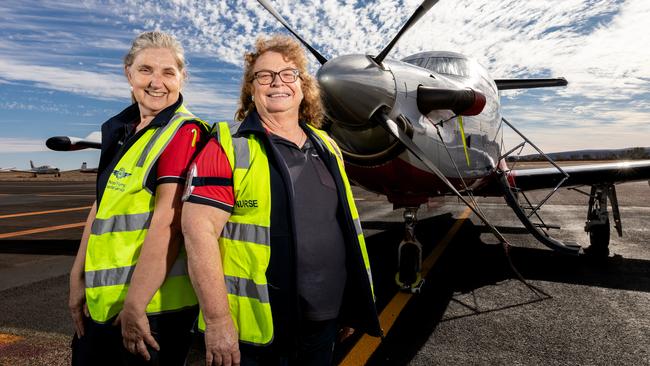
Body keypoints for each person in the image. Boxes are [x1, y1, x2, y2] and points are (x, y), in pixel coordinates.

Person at [181, 35, 382, 366]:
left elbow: (342, 229)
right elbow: (197, 232)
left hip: (324, 323)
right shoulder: (228, 146)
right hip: (258, 335)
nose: (277, 82)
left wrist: (349, 305)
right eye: (264, 75)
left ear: (303, 87)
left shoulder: (327, 146)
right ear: (252, 89)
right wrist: (217, 322)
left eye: (288, 74)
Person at [68, 30, 209, 365]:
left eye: (168, 72)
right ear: (128, 73)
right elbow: (102, 205)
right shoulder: (122, 132)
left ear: (182, 78)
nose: (156, 82)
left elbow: (169, 223)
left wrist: (135, 305)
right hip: (102, 304)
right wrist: (77, 276)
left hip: (152, 312)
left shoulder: (183, 132)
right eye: (146, 70)